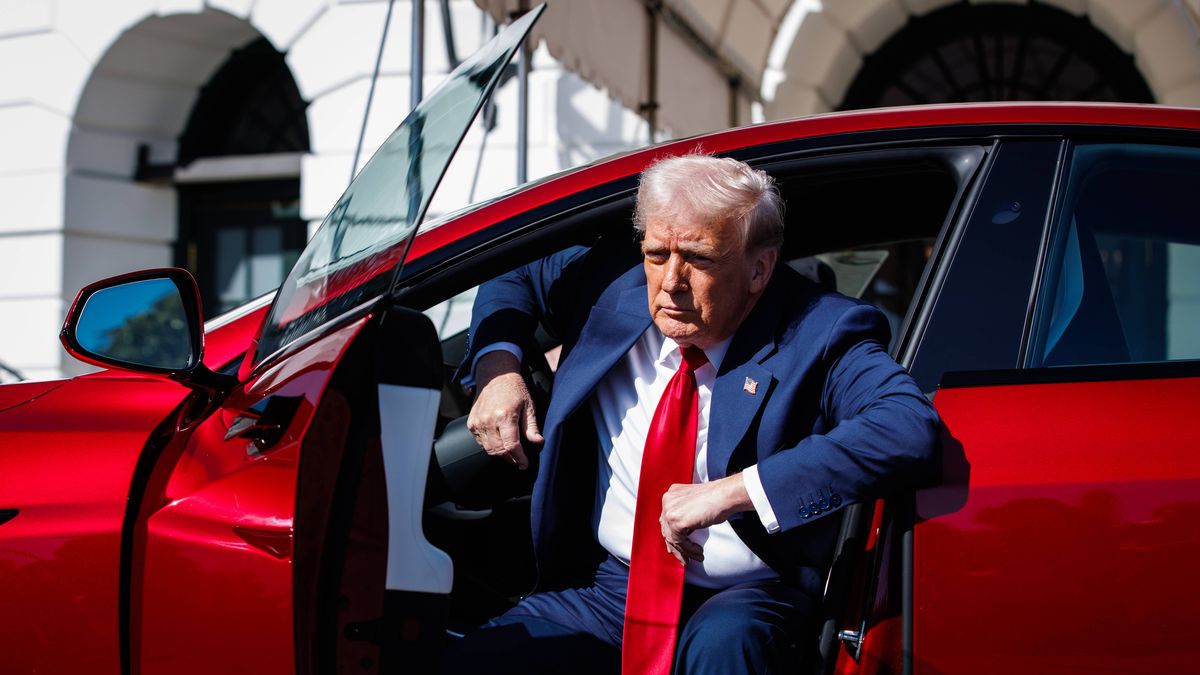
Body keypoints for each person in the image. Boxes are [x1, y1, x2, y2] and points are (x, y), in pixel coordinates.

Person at [444, 154, 938, 674]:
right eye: (657, 254)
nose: (671, 282)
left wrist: (730, 492)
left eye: (698, 259)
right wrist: (498, 368)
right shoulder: (613, 283)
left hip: (747, 592)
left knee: (725, 645)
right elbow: (515, 270)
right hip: (613, 587)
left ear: (759, 269)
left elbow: (906, 427)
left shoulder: (820, 329)